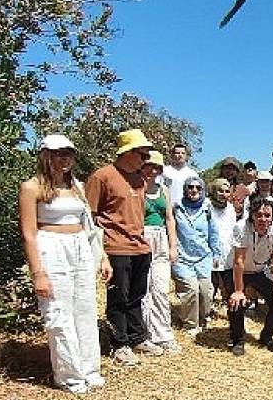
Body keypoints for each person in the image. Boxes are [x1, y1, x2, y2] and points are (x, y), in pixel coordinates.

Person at [19, 134, 109, 393]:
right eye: (58, 153)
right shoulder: (31, 187)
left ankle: (89, 369)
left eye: (69, 153)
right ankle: (69, 375)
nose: (65, 158)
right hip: (51, 247)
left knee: (85, 309)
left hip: (80, 247)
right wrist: (38, 273)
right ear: (46, 156)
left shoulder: (78, 186)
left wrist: (102, 256)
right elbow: (28, 233)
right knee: (58, 311)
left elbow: (89, 225)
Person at [85, 128, 154, 366]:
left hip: (140, 247)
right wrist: (100, 251)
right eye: (142, 155)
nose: (145, 160)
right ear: (127, 152)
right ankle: (119, 344)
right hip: (115, 247)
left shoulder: (140, 180)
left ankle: (136, 337)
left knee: (137, 296)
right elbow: (89, 215)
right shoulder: (102, 177)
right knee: (118, 298)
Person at [228, 196, 273, 355]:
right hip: (239, 270)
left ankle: (266, 337)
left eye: (267, 215)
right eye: (258, 215)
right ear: (252, 215)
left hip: (260, 270)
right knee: (236, 303)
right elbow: (239, 260)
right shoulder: (241, 227)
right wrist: (239, 291)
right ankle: (238, 339)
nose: (263, 219)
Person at [139, 150, 180, 354]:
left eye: (157, 167)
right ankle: (145, 334)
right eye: (149, 166)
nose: (152, 171)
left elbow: (169, 218)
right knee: (144, 290)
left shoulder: (163, 190)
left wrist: (173, 245)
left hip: (161, 237)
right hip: (142, 238)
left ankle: (164, 334)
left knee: (161, 288)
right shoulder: (136, 188)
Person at [172, 176, 222, 338]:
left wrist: (216, 254)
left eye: (198, 188)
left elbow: (213, 233)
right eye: (190, 187)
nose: (194, 190)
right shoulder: (176, 208)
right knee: (191, 290)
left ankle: (203, 319)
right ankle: (190, 324)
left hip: (203, 258)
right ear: (185, 189)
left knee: (206, 291)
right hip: (182, 258)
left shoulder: (207, 209)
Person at [208, 178, 236, 315]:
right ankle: (208, 309)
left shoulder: (230, 208)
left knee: (229, 283)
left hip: (228, 251)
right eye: (220, 191)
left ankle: (230, 310)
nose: (223, 194)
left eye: (226, 191)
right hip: (210, 250)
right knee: (211, 283)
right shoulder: (207, 206)